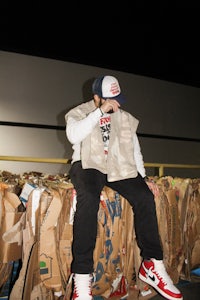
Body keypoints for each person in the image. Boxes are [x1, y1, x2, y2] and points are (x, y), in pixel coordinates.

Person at [65, 75, 183, 300]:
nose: (113, 105)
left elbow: (134, 150)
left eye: (116, 99)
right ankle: (81, 277)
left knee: (144, 197)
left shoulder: (124, 117)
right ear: (96, 97)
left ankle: (152, 264)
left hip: (117, 167)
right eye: (108, 100)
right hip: (88, 164)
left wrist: (144, 177)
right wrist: (98, 113)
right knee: (88, 197)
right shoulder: (80, 113)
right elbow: (73, 135)